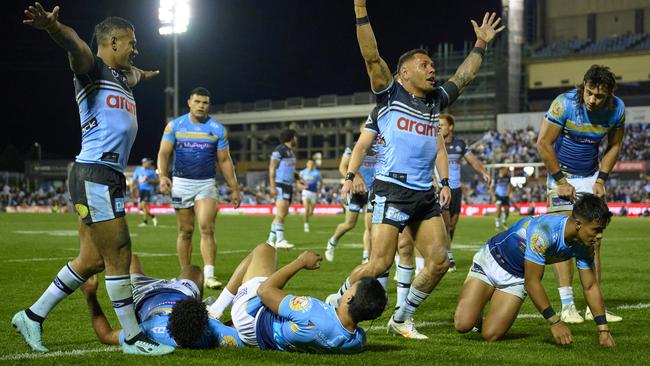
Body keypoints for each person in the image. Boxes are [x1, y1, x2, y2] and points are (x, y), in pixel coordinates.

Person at [326, 0, 505, 339]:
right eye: (425, 65)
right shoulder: (389, 93)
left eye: (433, 65)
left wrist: (481, 43)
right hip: (391, 189)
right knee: (379, 264)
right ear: (404, 72)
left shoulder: (436, 100)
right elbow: (371, 55)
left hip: (424, 193)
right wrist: (360, 9)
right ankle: (335, 300)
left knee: (439, 262)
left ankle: (401, 318)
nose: (432, 69)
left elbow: (463, 76)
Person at [13, 4, 173, 356]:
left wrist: (145, 75)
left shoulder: (122, 75)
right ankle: (132, 337)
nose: (135, 48)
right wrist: (54, 28)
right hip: (95, 173)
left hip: (105, 175)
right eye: (132, 42)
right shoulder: (91, 69)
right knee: (120, 252)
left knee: (91, 261)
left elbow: (135, 73)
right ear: (113, 42)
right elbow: (77, 47)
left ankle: (31, 315)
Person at [454, 194, 616, 348]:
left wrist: (603, 330)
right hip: (491, 262)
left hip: (518, 276)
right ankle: (480, 302)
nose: (600, 236)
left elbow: (590, 286)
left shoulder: (584, 246)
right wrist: (555, 322)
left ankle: (486, 299)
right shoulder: (544, 233)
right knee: (463, 324)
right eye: (596, 229)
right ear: (579, 224)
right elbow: (532, 283)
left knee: (490, 335)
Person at [536, 65, 625, 323]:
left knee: (594, 240)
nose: (592, 100)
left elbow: (615, 144)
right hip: (560, 175)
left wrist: (602, 178)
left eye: (599, 96)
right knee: (564, 238)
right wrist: (561, 181)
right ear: (583, 86)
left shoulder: (617, 109)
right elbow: (543, 143)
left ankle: (593, 306)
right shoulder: (564, 104)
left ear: (609, 94)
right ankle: (567, 305)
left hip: (590, 176)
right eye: (589, 93)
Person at [207, 242, 386, 353]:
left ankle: (216, 309)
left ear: (349, 299)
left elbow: (265, 290)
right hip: (265, 339)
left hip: (251, 316)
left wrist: (300, 262)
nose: (346, 291)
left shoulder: (310, 310)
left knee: (265, 249)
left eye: (350, 289)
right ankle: (226, 322)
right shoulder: (356, 342)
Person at [158, 87, 240, 290]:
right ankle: (186, 275)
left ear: (208, 105)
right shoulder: (174, 126)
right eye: (198, 102)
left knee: (206, 226)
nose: (201, 106)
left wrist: (234, 188)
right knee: (185, 230)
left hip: (206, 183)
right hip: (181, 183)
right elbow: (163, 154)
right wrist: (162, 176)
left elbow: (224, 160)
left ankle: (209, 274)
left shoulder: (217, 129)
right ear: (189, 103)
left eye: (205, 102)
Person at [80, 255, 244, 349]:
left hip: (146, 293)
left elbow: (106, 335)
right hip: (182, 291)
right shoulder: (210, 330)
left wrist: (90, 295)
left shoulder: (150, 330)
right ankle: (194, 299)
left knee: (129, 259)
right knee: (193, 269)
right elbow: (242, 330)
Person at [437, 113, 491, 270]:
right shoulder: (434, 142)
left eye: (443, 125)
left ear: (451, 127)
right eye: (438, 125)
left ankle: (447, 250)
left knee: (452, 225)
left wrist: (483, 172)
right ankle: (448, 257)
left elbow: (473, 161)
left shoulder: (459, 144)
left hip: (456, 189)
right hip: (441, 189)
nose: (440, 127)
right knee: (446, 224)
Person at [325, 118, 379, 263]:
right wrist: (354, 179)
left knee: (370, 226)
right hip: (355, 191)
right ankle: (332, 241)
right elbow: (342, 167)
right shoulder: (353, 147)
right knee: (349, 224)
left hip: (372, 190)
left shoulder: (379, 147)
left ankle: (366, 258)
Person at [267, 129, 300, 249]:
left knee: (283, 213)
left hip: (289, 185)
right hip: (281, 184)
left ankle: (270, 241)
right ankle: (280, 240)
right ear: (291, 138)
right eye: (295, 137)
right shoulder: (279, 150)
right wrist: (272, 186)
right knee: (281, 212)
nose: (297, 139)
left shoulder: (290, 152)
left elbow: (289, 169)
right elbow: (272, 167)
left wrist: (297, 178)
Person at [131, 158, 158, 227]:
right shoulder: (138, 170)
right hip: (140, 190)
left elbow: (157, 181)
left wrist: (150, 181)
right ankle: (153, 216)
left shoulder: (151, 171)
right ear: (144, 163)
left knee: (144, 205)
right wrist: (132, 189)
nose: (150, 164)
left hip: (148, 190)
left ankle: (145, 222)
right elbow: (134, 180)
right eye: (149, 162)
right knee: (140, 207)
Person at [299, 159, 322, 233]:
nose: (311, 165)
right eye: (309, 163)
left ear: (314, 165)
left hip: (313, 193)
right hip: (305, 192)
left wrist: (319, 191)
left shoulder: (316, 173)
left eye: (312, 163)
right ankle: (306, 225)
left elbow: (321, 182)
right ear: (307, 164)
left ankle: (307, 216)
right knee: (307, 209)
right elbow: (298, 182)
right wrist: (302, 187)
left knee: (311, 212)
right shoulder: (302, 172)